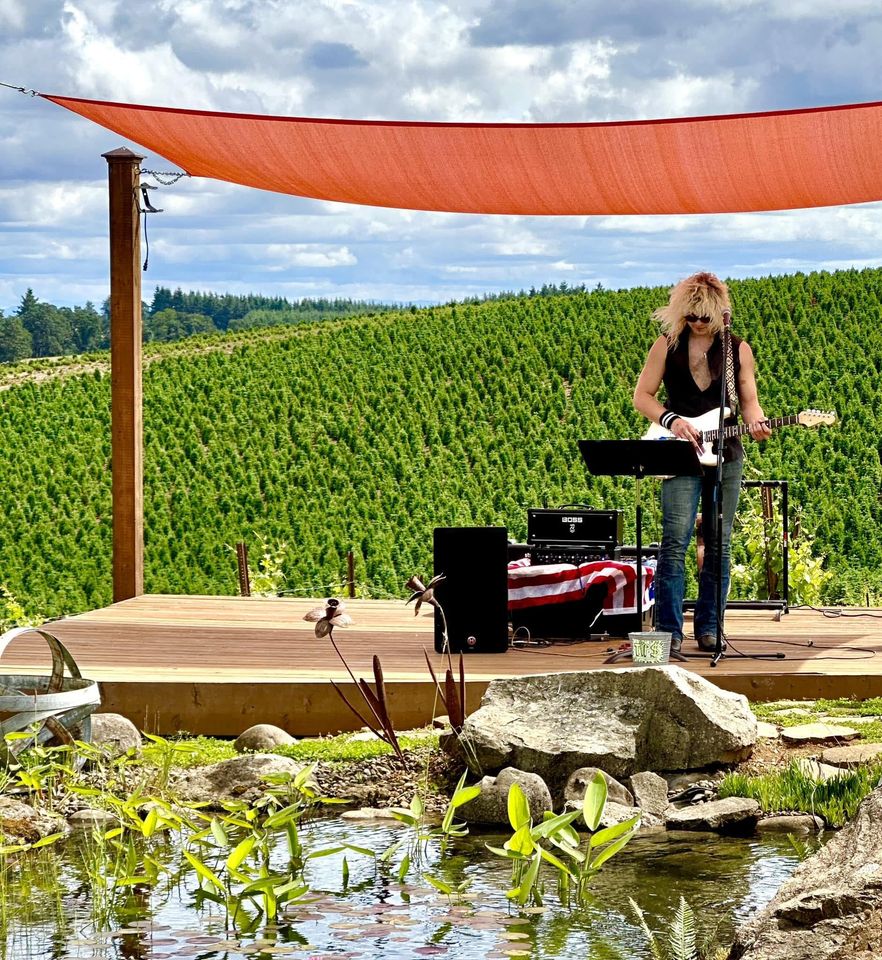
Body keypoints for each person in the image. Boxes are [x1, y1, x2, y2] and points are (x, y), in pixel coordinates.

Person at [633, 272, 771, 653]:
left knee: (719, 544)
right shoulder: (667, 345)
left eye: (703, 316)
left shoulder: (736, 349)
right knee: (674, 542)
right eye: (690, 315)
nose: (696, 322)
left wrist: (756, 422)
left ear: (718, 312)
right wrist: (671, 421)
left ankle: (710, 628)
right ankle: (669, 632)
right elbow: (642, 396)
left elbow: (749, 399)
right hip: (679, 452)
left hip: (726, 451)